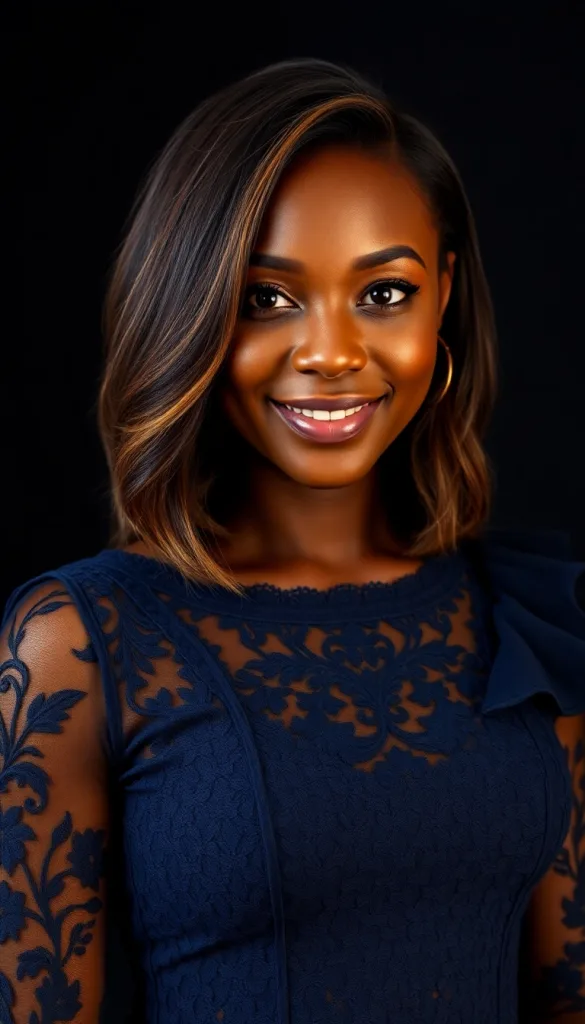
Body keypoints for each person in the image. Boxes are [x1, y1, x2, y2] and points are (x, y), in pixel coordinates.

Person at [0, 58, 583, 1024]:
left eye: (383, 294)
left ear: (442, 295)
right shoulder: (86, 643)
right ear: (190, 311)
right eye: (268, 297)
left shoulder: (528, 621)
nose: (330, 353)